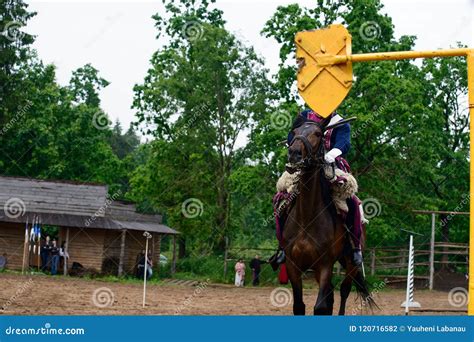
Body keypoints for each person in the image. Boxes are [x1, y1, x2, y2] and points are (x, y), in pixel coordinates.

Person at [270, 109, 366, 269]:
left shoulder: (340, 121)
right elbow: (291, 135)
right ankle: (282, 247)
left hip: (332, 164)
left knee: (352, 202)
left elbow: (344, 144)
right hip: (303, 165)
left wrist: (331, 155)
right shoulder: (304, 116)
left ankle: (356, 248)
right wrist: (294, 145)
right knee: (280, 200)